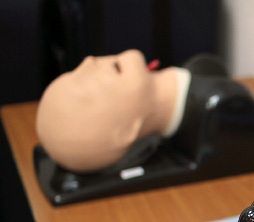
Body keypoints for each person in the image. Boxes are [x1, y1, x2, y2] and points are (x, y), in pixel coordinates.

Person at [36, 49, 230, 173]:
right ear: (125, 132)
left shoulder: (201, 74)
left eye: (74, 73)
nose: (88, 61)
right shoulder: (222, 101)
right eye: (85, 86)